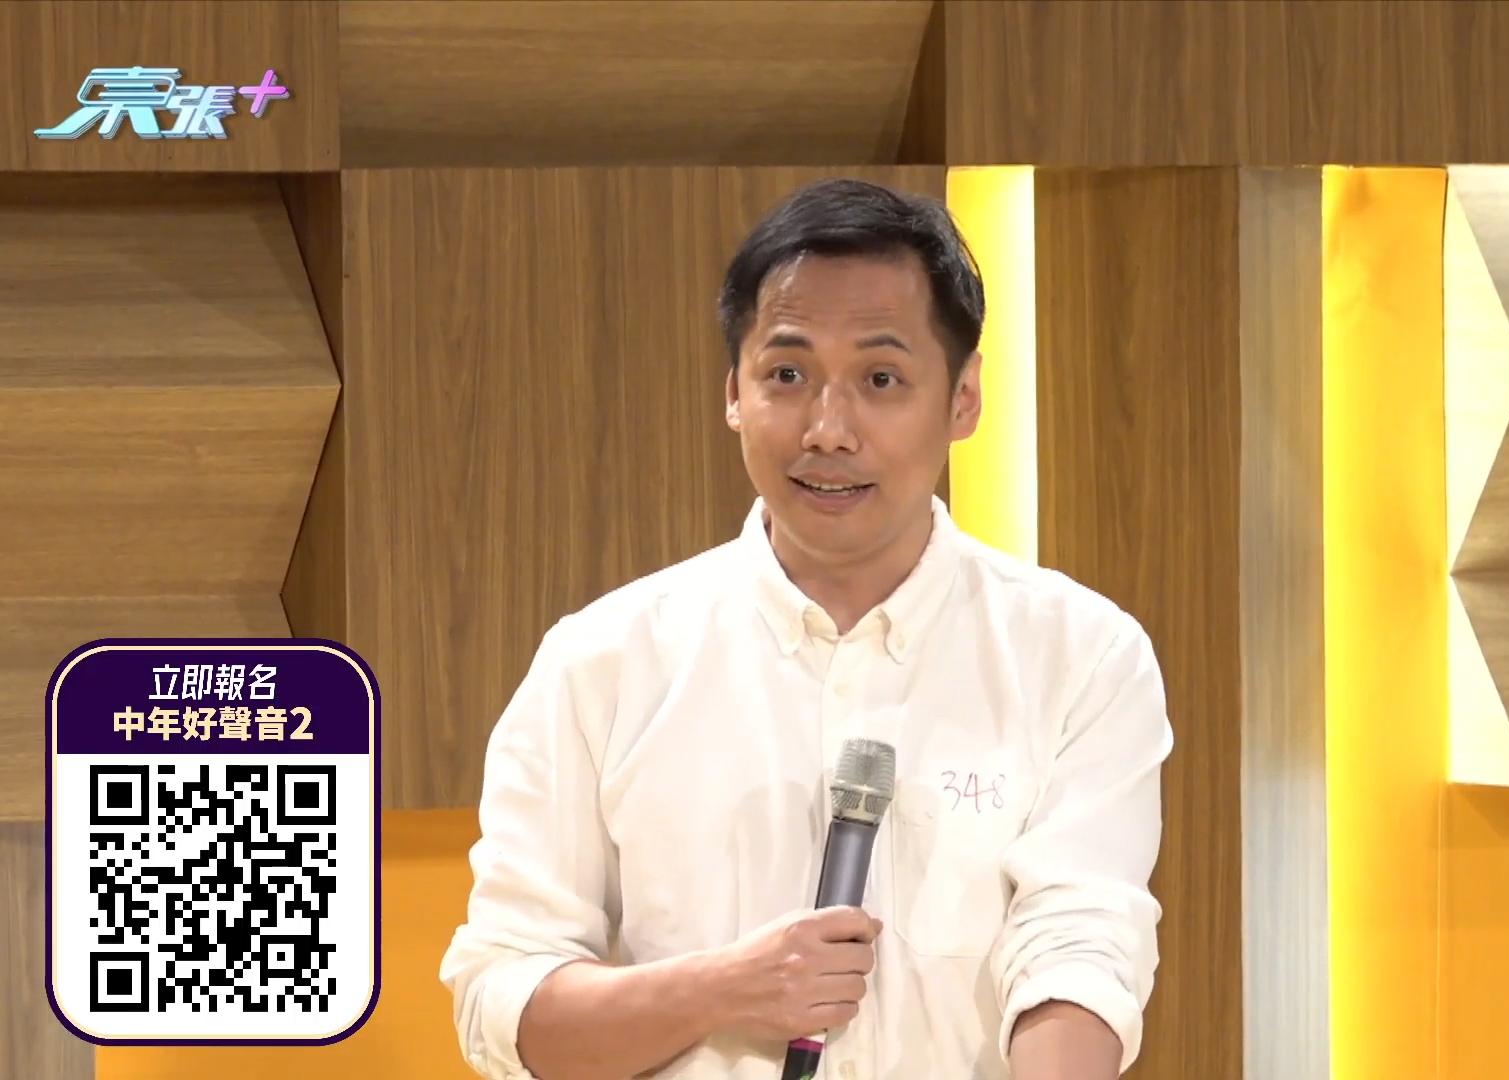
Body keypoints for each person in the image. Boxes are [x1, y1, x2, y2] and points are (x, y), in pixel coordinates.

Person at [440, 178, 1173, 1080]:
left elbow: (1080, 947)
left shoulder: (1080, 655)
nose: (827, 430)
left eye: (880, 380)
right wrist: (723, 989)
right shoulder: (601, 663)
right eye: (786, 376)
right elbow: (505, 1003)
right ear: (734, 393)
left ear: (963, 399)